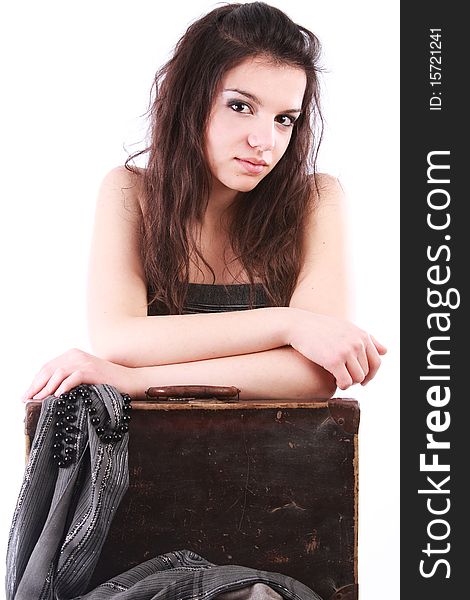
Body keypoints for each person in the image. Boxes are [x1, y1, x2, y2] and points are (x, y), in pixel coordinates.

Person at [23, 1, 386, 404]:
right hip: (151, 460)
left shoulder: (315, 200)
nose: (264, 142)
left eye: (284, 119)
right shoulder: (131, 192)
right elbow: (119, 340)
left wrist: (128, 380)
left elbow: (315, 375)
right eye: (240, 106)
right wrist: (290, 325)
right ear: (190, 99)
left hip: (276, 459)